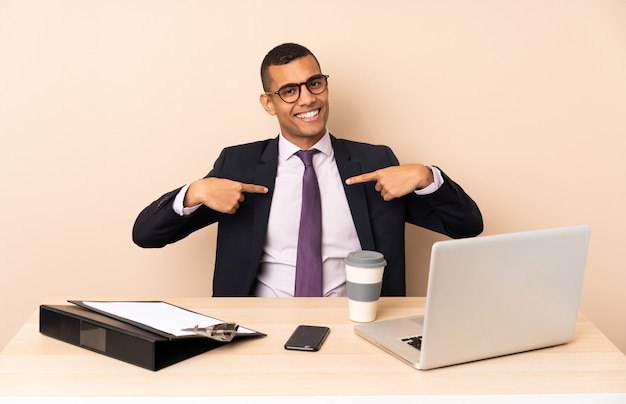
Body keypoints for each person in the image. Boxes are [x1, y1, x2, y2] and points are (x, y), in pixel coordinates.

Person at [132, 43, 483, 297]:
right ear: (268, 103)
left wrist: (427, 176)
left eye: (315, 83)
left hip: (358, 330)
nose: (307, 99)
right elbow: (146, 235)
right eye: (289, 91)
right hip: (259, 334)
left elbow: (467, 226)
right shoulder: (239, 165)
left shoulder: (375, 163)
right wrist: (194, 193)